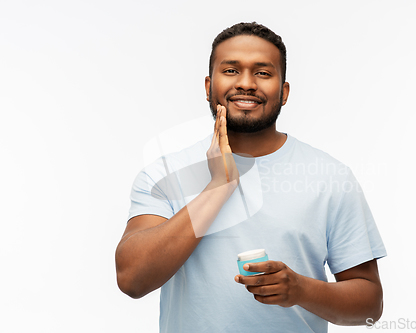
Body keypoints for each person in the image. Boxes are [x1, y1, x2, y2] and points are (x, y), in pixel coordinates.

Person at [115, 22, 387, 333]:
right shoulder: (164, 174)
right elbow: (132, 279)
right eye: (231, 70)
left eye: (263, 72)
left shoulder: (330, 176)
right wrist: (218, 187)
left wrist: (300, 289)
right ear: (208, 86)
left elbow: (369, 306)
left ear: (283, 92)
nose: (246, 83)